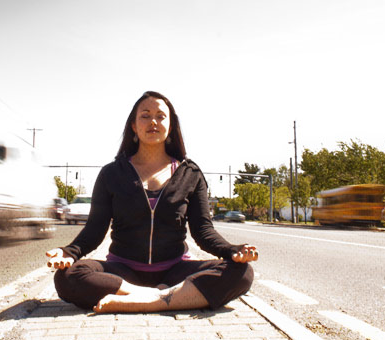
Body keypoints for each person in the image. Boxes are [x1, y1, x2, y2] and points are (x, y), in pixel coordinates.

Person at [46, 91, 258, 313]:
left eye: (160, 116)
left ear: (171, 126)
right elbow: (94, 231)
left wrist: (233, 251)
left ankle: (149, 301)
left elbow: (204, 231)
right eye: (145, 116)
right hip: (122, 270)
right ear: (134, 127)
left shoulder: (190, 174)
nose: (153, 121)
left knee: (242, 273)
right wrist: (68, 253)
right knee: (67, 277)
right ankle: (159, 297)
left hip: (175, 271)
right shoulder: (111, 174)